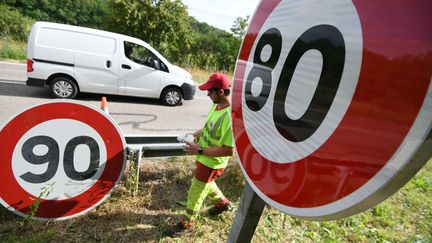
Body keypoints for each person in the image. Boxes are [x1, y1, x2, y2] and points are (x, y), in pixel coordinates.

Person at [165, 73, 234, 237]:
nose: (208, 94)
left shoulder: (230, 117)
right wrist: (193, 136)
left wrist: (200, 150)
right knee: (206, 185)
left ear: (221, 92)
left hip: (212, 162)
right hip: (204, 157)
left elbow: (229, 150)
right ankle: (223, 203)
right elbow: (207, 129)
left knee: (195, 192)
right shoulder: (216, 106)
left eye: (210, 91)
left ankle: (187, 224)